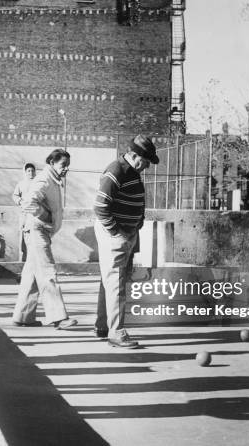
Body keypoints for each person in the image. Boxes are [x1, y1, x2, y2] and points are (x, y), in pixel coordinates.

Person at [93, 135, 159, 348]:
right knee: (116, 283)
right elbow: (101, 206)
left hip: (128, 232)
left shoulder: (131, 171)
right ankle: (117, 332)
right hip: (117, 233)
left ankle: (103, 326)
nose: (147, 165)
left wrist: (137, 223)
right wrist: (116, 232)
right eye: (145, 160)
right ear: (132, 155)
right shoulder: (116, 170)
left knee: (111, 281)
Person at [12, 149, 77, 330]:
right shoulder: (44, 179)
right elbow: (27, 203)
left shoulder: (52, 179)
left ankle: (22, 316)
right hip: (37, 230)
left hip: (39, 231)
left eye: (67, 166)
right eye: (63, 165)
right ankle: (58, 317)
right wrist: (43, 215)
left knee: (31, 275)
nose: (66, 169)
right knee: (48, 272)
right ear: (51, 163)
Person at [12, 163, 36, 261]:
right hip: (24, 215)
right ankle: (23, 263)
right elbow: (15, 195)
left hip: (35, 214)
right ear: (25, 172)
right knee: (23, 239)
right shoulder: (21, 184)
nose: (31, 173)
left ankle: (34, 265)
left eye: (32, 171)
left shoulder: (38, 183)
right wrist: (20, 201)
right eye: (28, 171)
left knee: (35, 238)